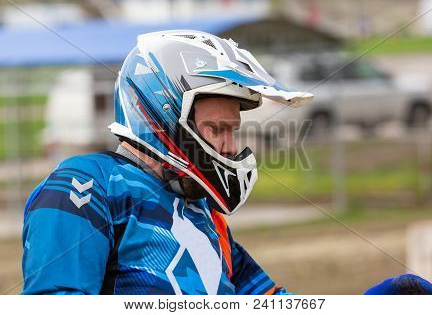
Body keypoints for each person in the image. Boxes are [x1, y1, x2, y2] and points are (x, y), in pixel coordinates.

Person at [21, 30, 313, 294]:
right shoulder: (85, 185)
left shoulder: (203, 212)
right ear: (167, 114)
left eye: (232, 130)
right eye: (217, 128)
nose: (231, 146)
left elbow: (269, 303)